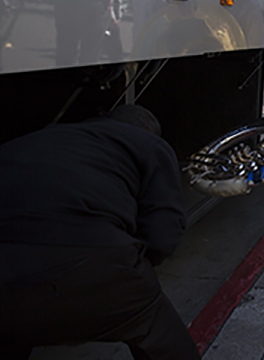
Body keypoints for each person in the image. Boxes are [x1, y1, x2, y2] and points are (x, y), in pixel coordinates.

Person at [0, 105, 200, 359]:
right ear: (151, 132)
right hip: (89, 257)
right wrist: (135, 270)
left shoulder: (46, 136)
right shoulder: (150, 145)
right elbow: (163, 232)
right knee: (160, 336)